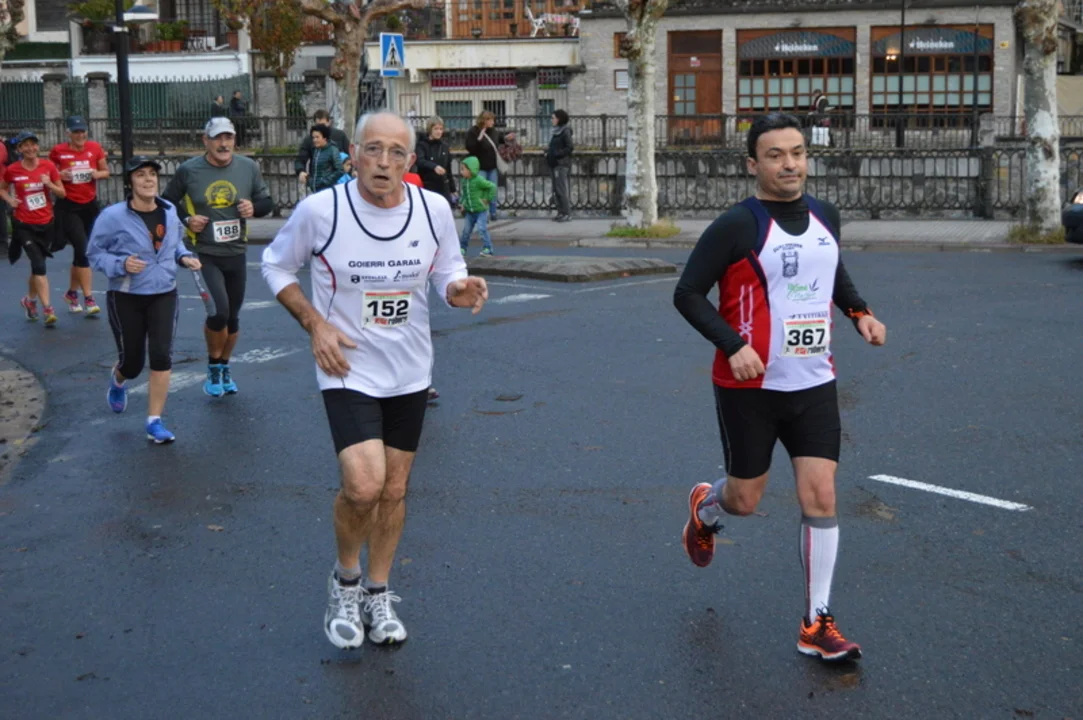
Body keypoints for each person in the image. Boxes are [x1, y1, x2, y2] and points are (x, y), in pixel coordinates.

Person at [262, 111, 488, 651]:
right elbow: (275, 265)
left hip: (409, 369)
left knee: (394, 488)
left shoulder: (433, 209)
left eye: (396, 152)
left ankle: (379, 591)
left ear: (410, 160)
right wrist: (315, 324)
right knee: (363, 486)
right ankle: (345, 582)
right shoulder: (322, 211)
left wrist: (458, 289)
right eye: (373, 149)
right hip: (347, 366)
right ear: (354, 156)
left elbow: (447, 270)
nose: (384, 162)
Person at [673, 112, 887, 663]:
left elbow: (830, 270)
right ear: (753, 164)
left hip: (814, 381)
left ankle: (817, 621)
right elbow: (688, 293)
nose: (790, 164)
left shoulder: (825, 215)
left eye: (797, 152)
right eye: (775, 155)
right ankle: (707, 507)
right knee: (745, 501)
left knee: (822, 496)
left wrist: (859, 312)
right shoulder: (736, 225)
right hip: (750, 386)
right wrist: (732, 344)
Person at [88, 156, 202, 443]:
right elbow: (95, 254)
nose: (149, 179)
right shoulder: (112, 217)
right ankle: (118, 380)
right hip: (126, 296)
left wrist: (184, 256)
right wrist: (121, 264)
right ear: (130, 182)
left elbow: (175, 242)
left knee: (162, 356)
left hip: (164, 292)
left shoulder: (169, 211)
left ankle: (154, 421)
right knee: (133, 363)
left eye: (152, 174)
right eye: (141, 175)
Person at [162, 117, 273, 397]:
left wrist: (254, 208)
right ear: (206, 141)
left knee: (233, 318)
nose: (224, 144)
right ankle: (213, 366)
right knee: (218, 312)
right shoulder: (189, 170)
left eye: (228, 137)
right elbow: (167, 201)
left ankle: (224, 366)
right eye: (217, 138)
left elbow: (266, 202)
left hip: (236, 251)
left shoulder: (248, 167)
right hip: (204, 253)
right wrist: (187, 219)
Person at [1, 131, 66, 327]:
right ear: (19, 149)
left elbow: (62, 193)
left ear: (38, 146)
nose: (31, 148)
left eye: (33, 144)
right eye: (26, 145)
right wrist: (10, 200)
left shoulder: (48, 166)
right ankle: (48, 309)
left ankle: (29, 300)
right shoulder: (13, 169)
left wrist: (49, 184)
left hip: (46, 223)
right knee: (39, 265)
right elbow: (2, 187)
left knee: (38, 267)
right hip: (24, 224)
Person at [50, 115, 109, 317]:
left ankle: (72, 293)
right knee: (83, 250)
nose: (80, 135)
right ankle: (89, 298)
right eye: (76, 132)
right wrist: (61, 175)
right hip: (68, 206)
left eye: (82, 131)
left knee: (81, 251)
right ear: (68, 133)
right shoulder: (58, 151)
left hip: (89, 205)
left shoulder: (95, 147)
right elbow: (49, 173)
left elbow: (105, 171)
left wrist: (95, 173)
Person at [464, 110, 515, 222]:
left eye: (493, 120)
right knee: (482, 191)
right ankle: (484, 215)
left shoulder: (493, 131)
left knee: (493, 190)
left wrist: (507, 138)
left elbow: (499, 140)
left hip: (492, 167)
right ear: (484, 120)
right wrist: (479, 139)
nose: (493, 122)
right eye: (490, 120)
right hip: (480, 167)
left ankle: (493, 212)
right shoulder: (473, 131)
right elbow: (470, 148)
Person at [295, 110, 351, 180]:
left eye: (323, 125)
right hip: (318, 179)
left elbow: (350, 155)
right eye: (318, 125)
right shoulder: (310, 139)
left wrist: (353, 171)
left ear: (329, 122)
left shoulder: (340, 135)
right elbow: (300, 159)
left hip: (339, 180)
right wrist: (301, 171)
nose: (321, 129)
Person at [458, 156, 496, 257]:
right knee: (466, 231)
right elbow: (465, 194)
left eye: (463, 169)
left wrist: (487, 199)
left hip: (480, 210)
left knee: (482, 229)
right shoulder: (464, 181)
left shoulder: (479, 180)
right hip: (469, 211)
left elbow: (492, 187)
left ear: (471, 170)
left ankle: (488, 248)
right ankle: (462, 248)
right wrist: (462, 203)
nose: (461, 171)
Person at [413, 116, 455, 206]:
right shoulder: (422, 145)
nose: (439, 131)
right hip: (427, 186)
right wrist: (434, 167)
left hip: (443, 187)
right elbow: (420, 161)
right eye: (436, 129)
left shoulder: (444, 146)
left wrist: (453, 189)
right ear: (430, 129)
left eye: (441, 129)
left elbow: (448, 169)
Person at [546, 109, 574, 222]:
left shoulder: (565, 131)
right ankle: (560, 212)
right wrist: (548, 152)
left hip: (561, 164)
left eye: (553, 118)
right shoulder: (555, 131)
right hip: (553, 164)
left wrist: (557, 153)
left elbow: (569, 147)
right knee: (556, 190)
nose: (551, 120)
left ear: (559, 119)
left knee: (561, 189)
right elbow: (553, 146)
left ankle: (567, 213)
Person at [299, 125, 344, 193]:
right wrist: (310, 181)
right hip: (316, 190)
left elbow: (340, 170)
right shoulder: (316, 150)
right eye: (313, 137)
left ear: (325, 138)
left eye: (317, 137)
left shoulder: (333, 150)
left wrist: (324, 182)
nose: (314, 140)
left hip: (327, 191)